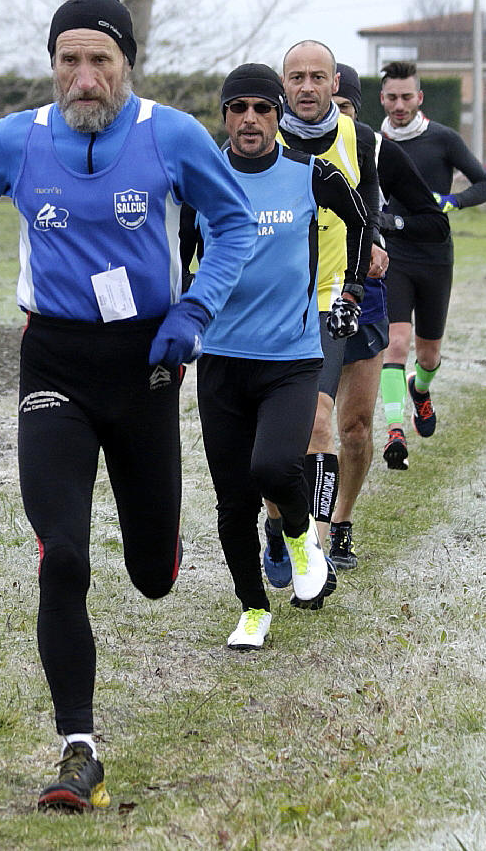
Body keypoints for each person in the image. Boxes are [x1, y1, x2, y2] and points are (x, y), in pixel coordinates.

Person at [0, 0, 256, 812]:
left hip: (148, 361)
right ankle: (79, 747)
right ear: (52, 67)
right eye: (68, 61)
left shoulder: (171, 134)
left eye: (99, 61)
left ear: (126, 67)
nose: (83, 78)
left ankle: (164, 545)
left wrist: (194, 308)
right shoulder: (17, 140)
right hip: (56, 362)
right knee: (63, 555)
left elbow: (236, 226)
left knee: (150, 578)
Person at [181, 64, 366, 648]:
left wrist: (352, 291)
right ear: (226, 116)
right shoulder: (202, 182)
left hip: (290, 357)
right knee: (232, 499)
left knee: (272, 467)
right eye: (239, 109)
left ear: (277, 112)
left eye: (262, 108)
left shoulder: (310, 174)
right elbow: (179, 256)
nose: (251, 120)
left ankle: (301, 539)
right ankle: (253, 608)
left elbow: (360, 223)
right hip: (222, 360)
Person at [256, 40, 375, 588]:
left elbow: (367, 214)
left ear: (336, 84)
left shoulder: (361, 140)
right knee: (274, 441)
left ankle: (317, 547)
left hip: (328, 301)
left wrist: (363, 268)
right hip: (270, 303)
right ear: (284, 85)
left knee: (319, 423)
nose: (306, 86)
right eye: (296, 77)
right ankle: (277, 524)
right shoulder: (259, 136)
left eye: (317, 76)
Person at [323, 64, 448, 568]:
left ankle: (341, 523)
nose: (338, 122)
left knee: (353, 430)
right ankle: (291, 531)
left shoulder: (374, 147)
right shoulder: (285, 146)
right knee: (306, 429)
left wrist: (380, 229)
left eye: (347, 110)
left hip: (364, 302)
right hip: (300, 302)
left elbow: (432, 221)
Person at [376, 60, 486, 470]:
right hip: (393, 254)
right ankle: (394, 429)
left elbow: (485, 184)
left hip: (435, 255)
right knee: (395, 343)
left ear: (419, 98)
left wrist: (453, 200)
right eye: (392, 97)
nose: (399, 104)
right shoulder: (373, 145)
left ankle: (419, 390)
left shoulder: (442, 139)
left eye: (407, 96)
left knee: (427, 355)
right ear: (382, 98)